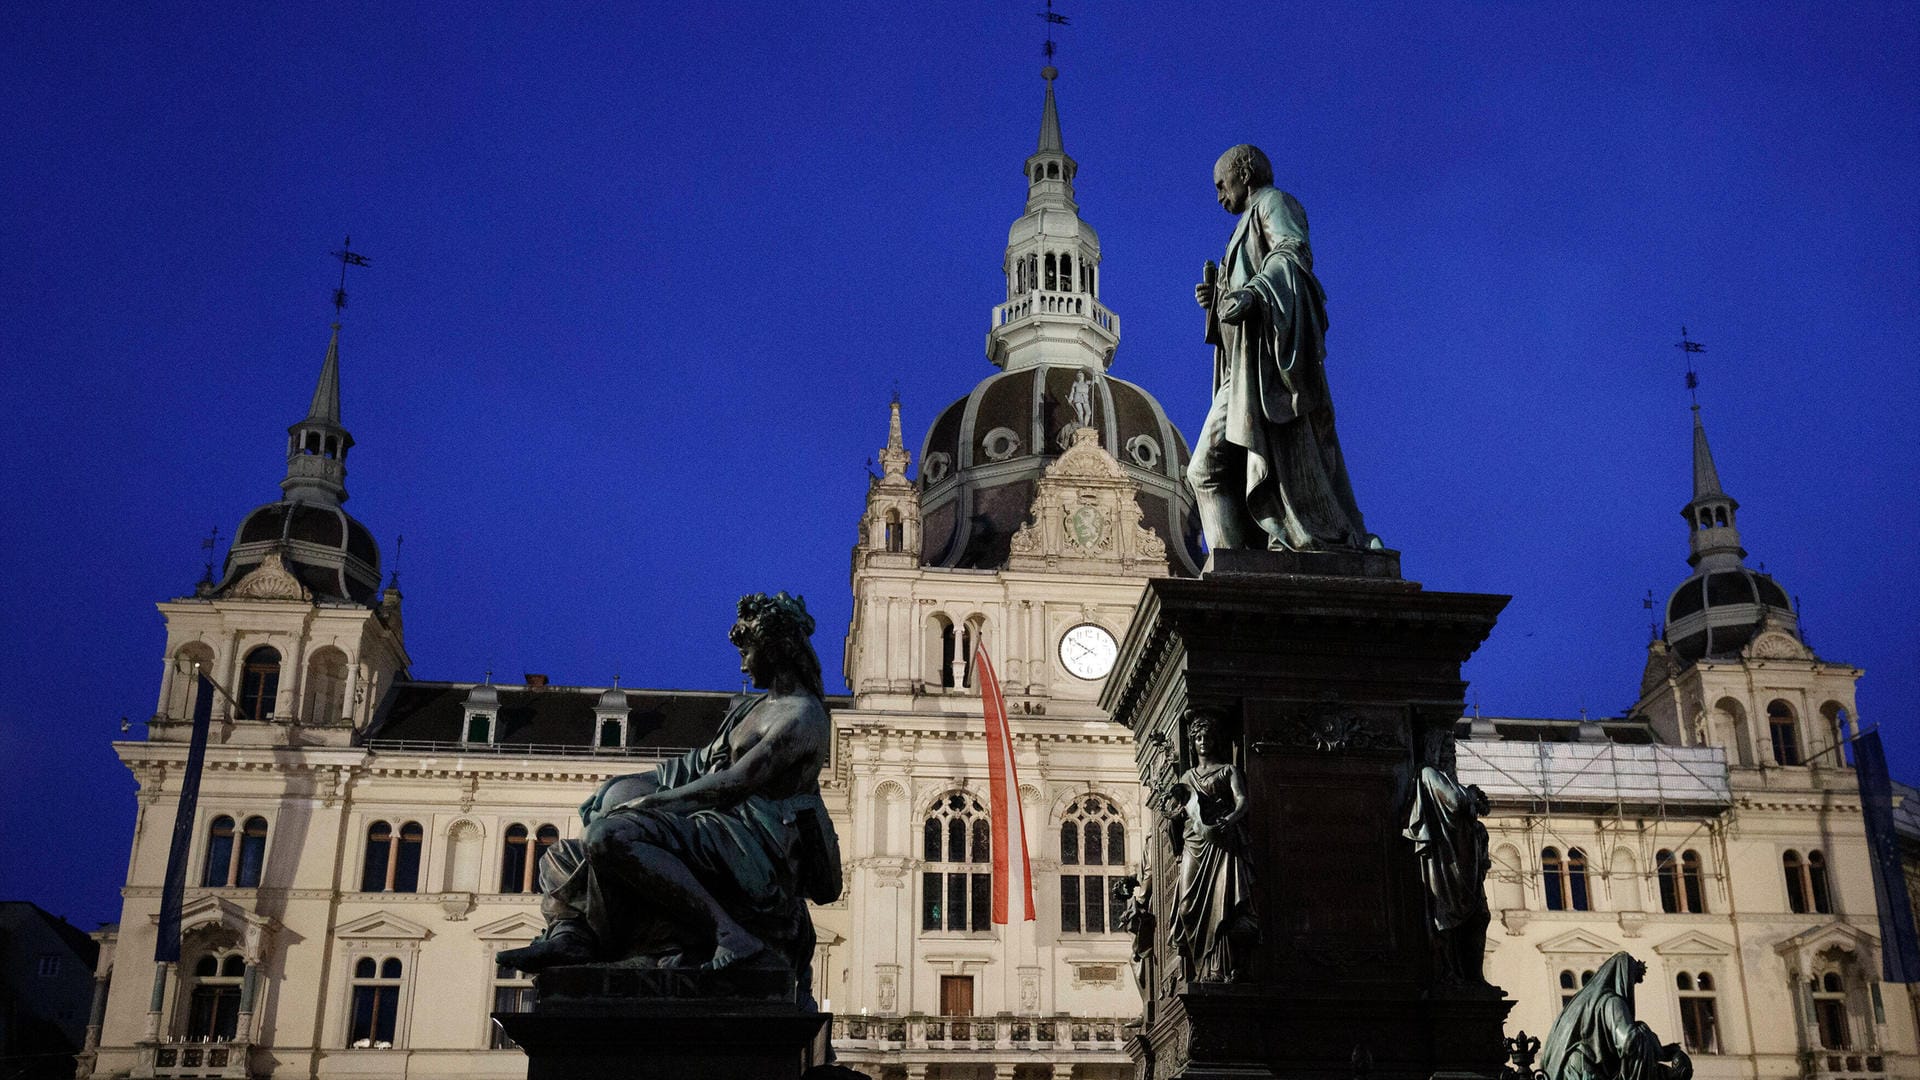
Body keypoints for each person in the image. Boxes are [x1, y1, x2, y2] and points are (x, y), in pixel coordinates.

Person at [498, 593, 842, 981]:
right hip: (715, 824)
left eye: (749, 652)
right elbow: (694, 767)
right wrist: (626, 785)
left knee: (609, 837)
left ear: (776, 650)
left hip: (753, 840)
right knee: (562, 855)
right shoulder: (752, 709)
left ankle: (730, 933)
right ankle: (573, 935)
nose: (744, 665)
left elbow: (734, 783)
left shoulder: (804, 715)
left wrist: (651, 803)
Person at [1189, 144, 1372, 553]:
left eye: (1222, 185)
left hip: (1264, 368)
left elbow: (1291, 253)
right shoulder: (1244, 224)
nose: (1220, 196)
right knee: (1208, 469)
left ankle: (1234, 564)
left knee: (1205, 468)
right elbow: (1245, 290)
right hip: (1243, 370)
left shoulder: (1274, 203)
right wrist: (1217, 301)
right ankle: (1235, 564)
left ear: (1245, 174)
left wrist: (1253, 294)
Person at [1161, 708, 1256, 983]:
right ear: (1193, 742)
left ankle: (1216, 968)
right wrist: (1176, 814)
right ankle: (1196, 964)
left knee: (1223, 904)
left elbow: (1242, 801)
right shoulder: (1187, 777)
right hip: (1194, 842)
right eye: (1198, 737)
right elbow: (1177, 813)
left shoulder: (1229, 771)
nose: (1203, 741)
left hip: (1222, 843)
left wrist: (1231, 819)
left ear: (1216, 740)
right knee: (1187, 905)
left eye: (1208, 737)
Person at [1403, 765, 1492, 986]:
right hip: (1445, 869)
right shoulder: (1430, 774)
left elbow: (1485, 862)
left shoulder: (1477, 829)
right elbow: (1454, 801)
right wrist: (1469, 796)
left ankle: (1474, 977)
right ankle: (1446, 973)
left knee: (1480, 918)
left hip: (1466, 877)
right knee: (1443, 921)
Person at [1540, 952, 1694, 1080]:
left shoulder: (1583, 1002)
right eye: (1632, 981)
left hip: (1573, 1068)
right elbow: (1627, 1040)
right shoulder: (1612, 1001)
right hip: (1587, 1072)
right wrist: (1655, 1045)